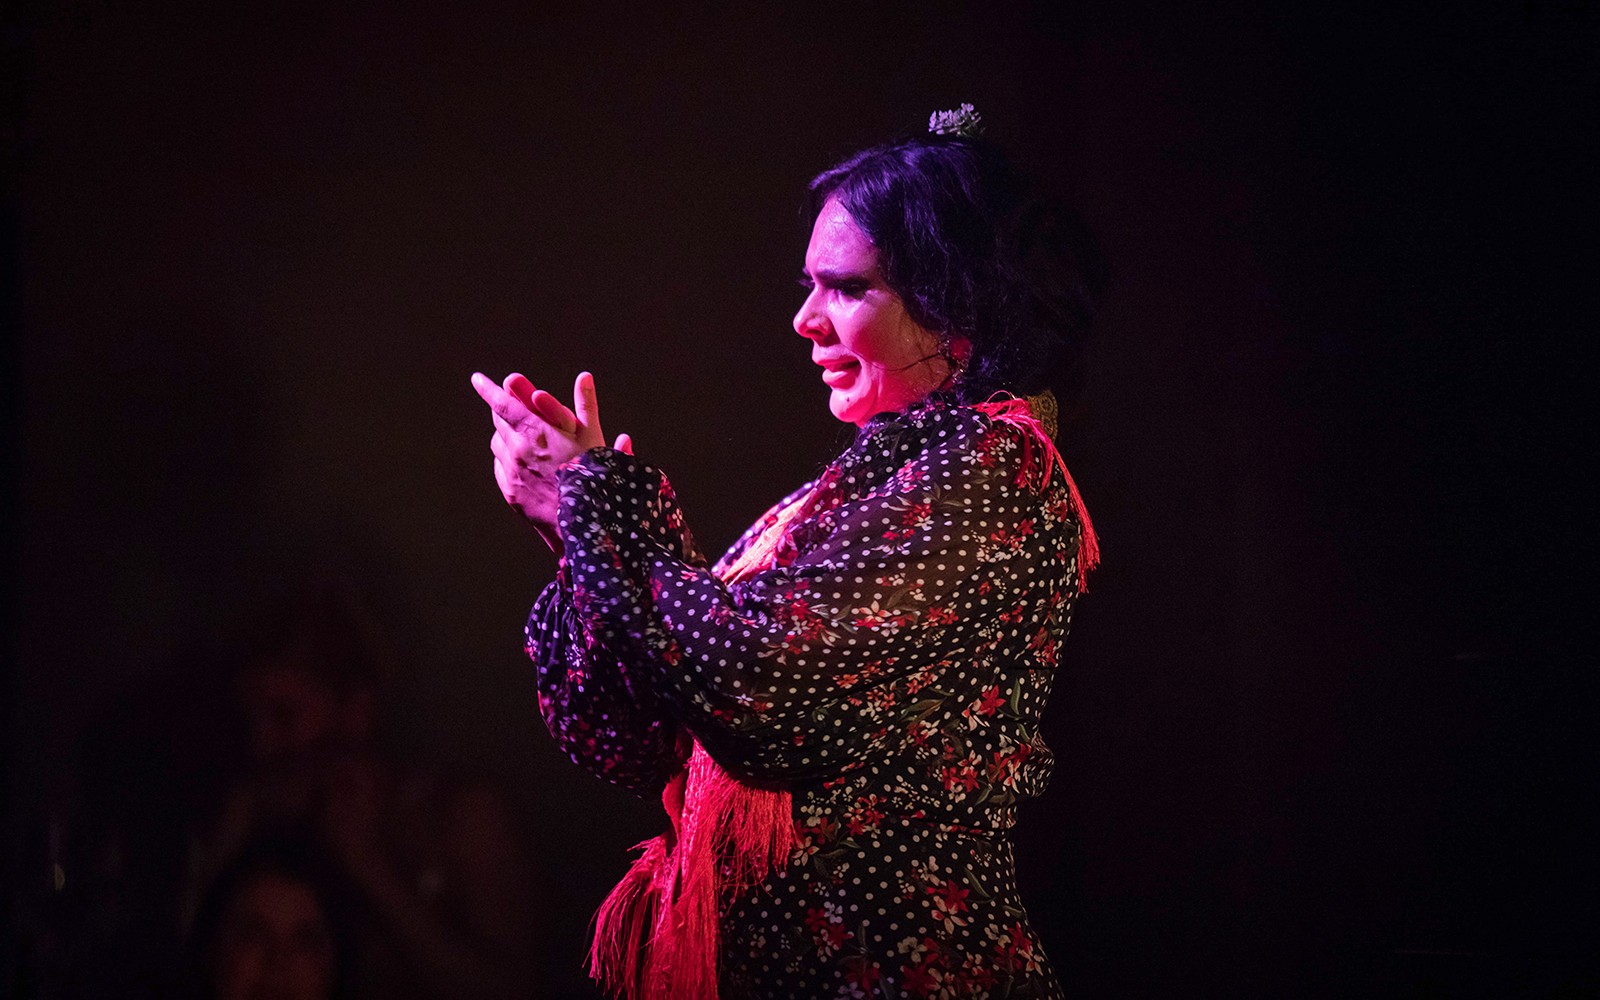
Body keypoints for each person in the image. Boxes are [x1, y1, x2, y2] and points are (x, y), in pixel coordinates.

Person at [473, 105, 1105, 999]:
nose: (804, 319)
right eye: (811, 286)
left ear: (956, 302)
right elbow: (647, 737)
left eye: (846, 288)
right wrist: (574, 533)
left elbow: (766, 689)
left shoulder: (995, 467)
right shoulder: (858, 491)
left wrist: (590, 504)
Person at [186, 587, 539, 1000]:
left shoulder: (461, 815)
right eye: (250, 721)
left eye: (284, 715)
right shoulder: (264, 816)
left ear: (356, 709)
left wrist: (368, 865)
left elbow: (511, 989)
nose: (261, 744)